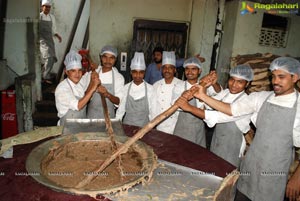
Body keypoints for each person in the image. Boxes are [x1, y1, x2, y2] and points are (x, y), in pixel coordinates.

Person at [191, 57, 300, 201]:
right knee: (240, 196)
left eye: (281, 77)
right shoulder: (261, 98)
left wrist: (297, 179)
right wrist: (203, 96)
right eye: (273, 76)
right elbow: (231, 109)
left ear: (295, 77)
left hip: (273, 171)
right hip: (250, 165)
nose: (275, 81)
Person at [176, 64, 253, 166]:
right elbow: (209, 104)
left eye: (240, 82)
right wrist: (206, 85)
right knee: (214, 168)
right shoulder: (226, 92)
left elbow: (216, 116)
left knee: (226, 172)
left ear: (247, 84)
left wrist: (189, 108)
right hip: (217, 139)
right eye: (232, 80)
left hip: (232, 145)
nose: (234, 84)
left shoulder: (246, 102)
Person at [173, 57, 221, 147]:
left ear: (200, 71)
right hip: (183, 129)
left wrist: (214, 82)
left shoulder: (205, 84)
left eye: (193, 69)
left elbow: (219, 92)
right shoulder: (179, 86)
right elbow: (174, 103)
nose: (190, 72)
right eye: (187, 69)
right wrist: (185, 94)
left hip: (199, 128)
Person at [55, 50, 100, 126]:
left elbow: (86, 93)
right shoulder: (62, 88)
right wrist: (94, 87)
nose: (77, 74)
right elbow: (78, 106)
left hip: (80, 126)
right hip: (67, 127)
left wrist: (93, 75)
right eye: (73, 71)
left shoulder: (79, 82)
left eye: (79, 70)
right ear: (66, 71)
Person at [80, 45, 125, 119]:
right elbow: (84, 97)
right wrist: (92, 82)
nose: (108, 61)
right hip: (92, 117)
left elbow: (118, 101)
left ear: (115, 59)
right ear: (101, 57)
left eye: (111, 58)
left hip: (109, 119)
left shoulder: (118, 78)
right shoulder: (93, 73)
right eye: (105, 57)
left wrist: (107, 94)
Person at [116, 52, 154, 127]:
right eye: (135, 72)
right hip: (127, 126)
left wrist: (151, 128)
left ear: (144, 73)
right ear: (131, 72)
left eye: (141, 72)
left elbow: (152, 112)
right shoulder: (126, 88)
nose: (138, 75)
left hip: (144, 127)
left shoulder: (150, 89)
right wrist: (117, 126)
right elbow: (121, 110)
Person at [150, 51, 184, 134]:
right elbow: (152, 107)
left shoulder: (182, 85)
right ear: (162, 70)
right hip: (159, 125)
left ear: (175, 70)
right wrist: (153, 123)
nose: (167, 70)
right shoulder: (156, 85)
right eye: (164, 67)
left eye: (170, 67)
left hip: (176, 126)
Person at [39, 0, 62, 83]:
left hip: (50, 40)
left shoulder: (52, 17)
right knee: (48, 56)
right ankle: (45, 76)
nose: (47, 8)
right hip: (42, 40)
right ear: (42, 7)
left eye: (49, 7)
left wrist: (57, 36)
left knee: (52, 57)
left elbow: (53, 30)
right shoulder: (38, 16)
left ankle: (44, 75)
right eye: (46, 6)